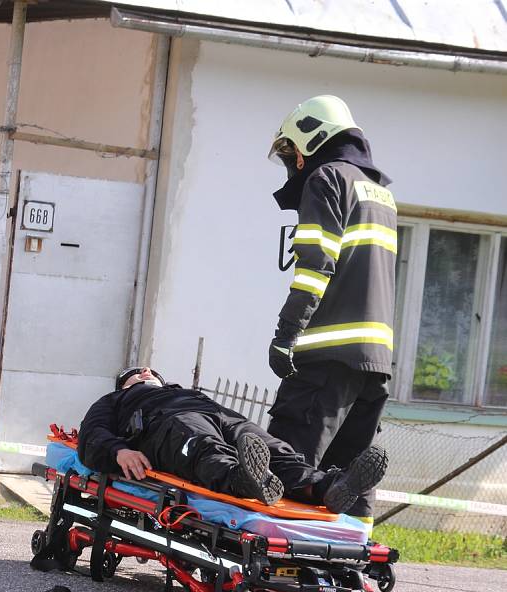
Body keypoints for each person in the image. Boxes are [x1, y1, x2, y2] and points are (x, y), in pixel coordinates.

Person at [266, 95, 396, 522]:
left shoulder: (327, 178)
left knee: (283, 465)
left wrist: (286, 334)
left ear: (312, 139)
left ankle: (272, 562)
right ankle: (350, 569)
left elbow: (315, 267)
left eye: (292, 153)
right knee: (350, 480)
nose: (293, 165)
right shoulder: (381, 195)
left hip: (324, 359)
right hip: (375, 364)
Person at [78, 366, 388, 514]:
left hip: (219, 414)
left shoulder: (185, 390)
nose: (144, 371)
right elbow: (91, 436)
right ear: (123, 384)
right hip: (165, 424)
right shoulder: (115, 401)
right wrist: (118, 451)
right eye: (135, 373)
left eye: (149, 370)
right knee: (203, 445)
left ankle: (326, 486)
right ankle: (241, 480)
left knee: (275, 450)